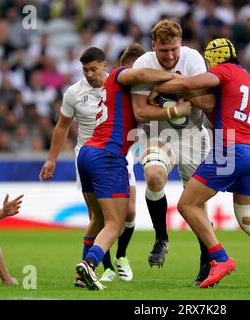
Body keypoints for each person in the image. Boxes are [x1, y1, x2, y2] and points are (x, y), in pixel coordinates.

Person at [149, 38, 250, 289]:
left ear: (213, 59)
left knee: (187, 204)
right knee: (248, 219)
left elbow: (188, 83)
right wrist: (191, 96)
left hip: (230, 148)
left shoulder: (222, 71)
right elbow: (211, 104)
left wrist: (160, 85)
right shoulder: (246, 78)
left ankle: (220, 258)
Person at [75, 43, 191, 290]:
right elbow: (138, 75)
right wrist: (175, 77)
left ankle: (80, 274)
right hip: (107, 156)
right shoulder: (123, 74)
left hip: (88, 153)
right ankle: (89, 265)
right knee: (114, 224)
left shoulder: (121, 90)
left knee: (97, 218)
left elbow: (144, 109)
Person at [39, 47, 135, 285]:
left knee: (127, 212)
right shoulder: (74, 92)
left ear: (105, 65)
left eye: (93, 69)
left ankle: (115, 259)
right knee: (101, 216)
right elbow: (61, 126)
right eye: (85, 70)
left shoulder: (120, 84)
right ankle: (102, 266)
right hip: (89, 155)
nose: (89, 74)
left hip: (118, 154)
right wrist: (51, 159)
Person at [131, 19, 213, 286]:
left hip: (193, 135)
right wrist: (175, 107)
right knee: (154, 176)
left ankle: (207, 264)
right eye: (163, 50)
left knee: (198, 204)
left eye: (174, 49)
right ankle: (161, 237)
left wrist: (165, 87)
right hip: (156, 134)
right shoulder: (142, 64)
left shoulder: (193, 59)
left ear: (181, 44)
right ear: (153, 45)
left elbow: (206, 101)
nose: (170, 55)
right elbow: (141, 112)